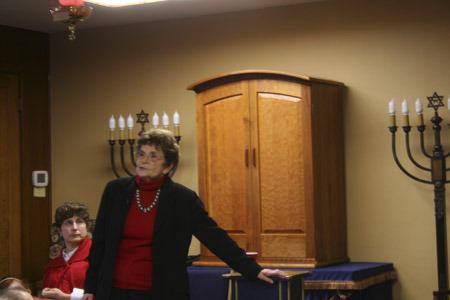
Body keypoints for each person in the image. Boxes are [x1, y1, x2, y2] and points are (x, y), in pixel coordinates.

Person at [83, 129, 286, 300]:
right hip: (111, 290)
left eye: (154, 156)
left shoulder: (182, 199)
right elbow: (99, 242)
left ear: (168, 166)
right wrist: (89, 288)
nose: (143, 160)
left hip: (161, 292)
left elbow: (214, 237)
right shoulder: (115, 190)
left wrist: (253, 270)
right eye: (141, 154)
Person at [41, 203, 92, 300]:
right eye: (68, 223)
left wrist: (65, 297)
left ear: (86, 227)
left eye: (79, 222)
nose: (75, 228)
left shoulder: (98, 257)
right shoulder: (52, 266)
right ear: (59, 230)